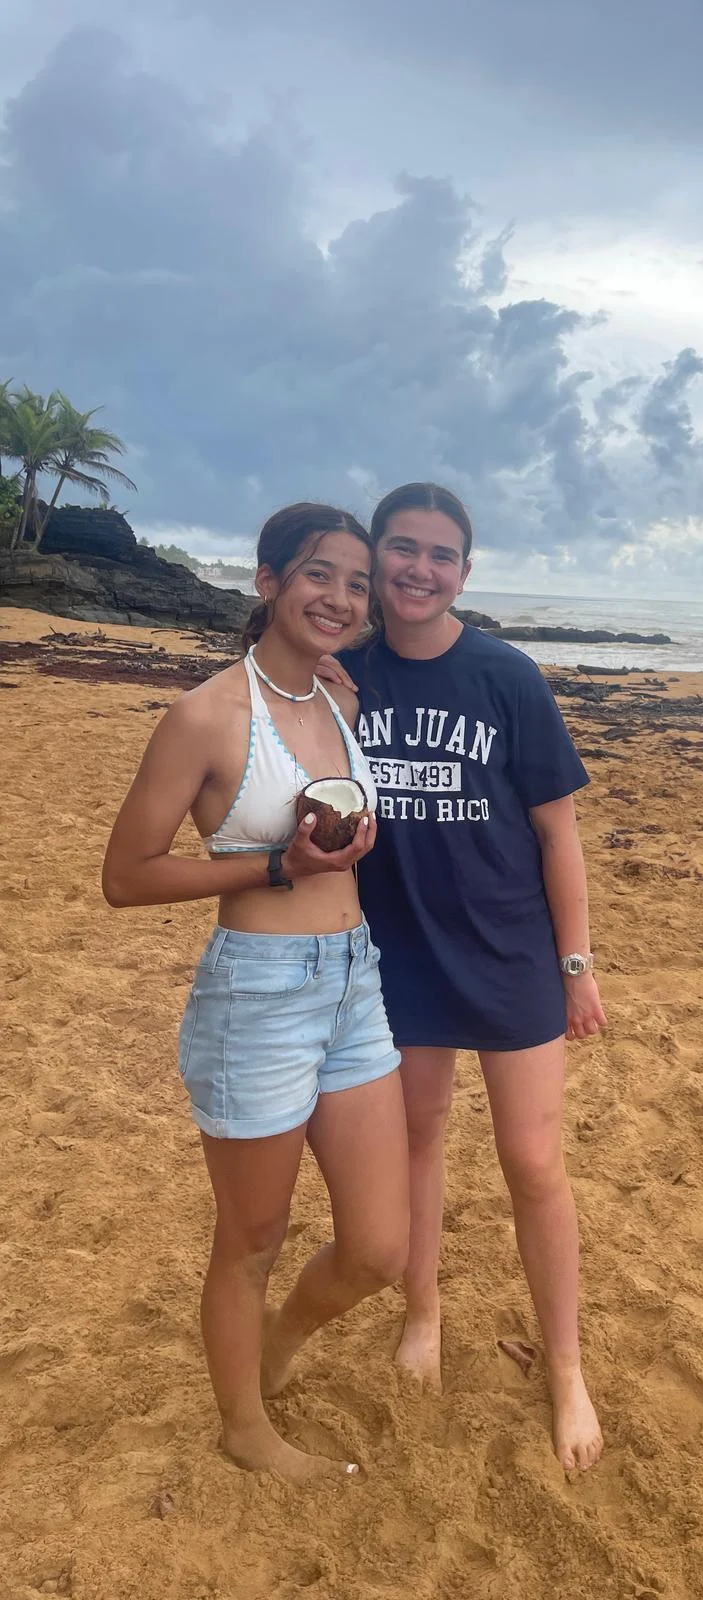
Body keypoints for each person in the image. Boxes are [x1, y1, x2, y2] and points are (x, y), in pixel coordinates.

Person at [102, 503, 409, 1481]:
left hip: (354, 981)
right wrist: (274, 866)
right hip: (259, 995)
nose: (341, 598)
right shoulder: (205, 716)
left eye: (357, 583)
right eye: (319, 574)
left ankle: (278, 1342)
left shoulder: (341, 701)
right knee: (251, 1238)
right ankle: (245, 1427)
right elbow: (126, 875)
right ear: (269, 581)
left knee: (380, 1248)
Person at [322, 481, 607, 1472]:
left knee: (533, 1161)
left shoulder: (506, 677)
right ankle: (424, 1311)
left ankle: (565, 1367)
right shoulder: (345, 678)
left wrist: (577, 966)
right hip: (397, 953)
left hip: (509, 952)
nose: (419, 569)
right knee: (418, 1136)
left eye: (440, 555)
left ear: (465, 572)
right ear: (376, 557)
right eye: (403, 548)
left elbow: (558, 834)